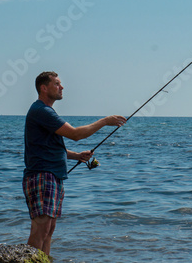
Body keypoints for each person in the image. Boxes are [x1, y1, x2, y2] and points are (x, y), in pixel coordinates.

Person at [22, 71, 126, 256]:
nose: (62, 87)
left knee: (49, 229)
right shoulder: (41, 111)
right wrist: (104, 121)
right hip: (42, 175)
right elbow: (76, 134)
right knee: (41, 230)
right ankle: (27, 260)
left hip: (52, 175)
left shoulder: (44, 111)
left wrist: (77, 156)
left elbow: (47, 148)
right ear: (43, 88)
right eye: (57, 84)